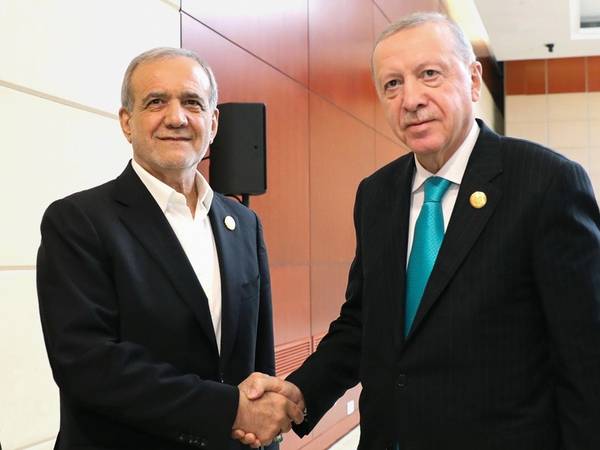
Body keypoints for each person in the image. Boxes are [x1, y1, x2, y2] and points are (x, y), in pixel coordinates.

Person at [234, 12, 600, 450]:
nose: (410, 99)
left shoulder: (546, 183)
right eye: (392, 84)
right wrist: (299, 393)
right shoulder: (376, 194)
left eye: (429, 74)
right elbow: (363, 324)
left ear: (473, 79)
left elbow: (586, 359)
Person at [36, 47, 303, 450]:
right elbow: (88, 364)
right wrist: (229, 409)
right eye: (156, 102)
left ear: (213, 123)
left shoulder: (243, 224)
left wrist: (266, 436)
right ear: (127, 122)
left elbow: (258, 362)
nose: (176, 117)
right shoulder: (78, 221)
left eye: (192, 102)